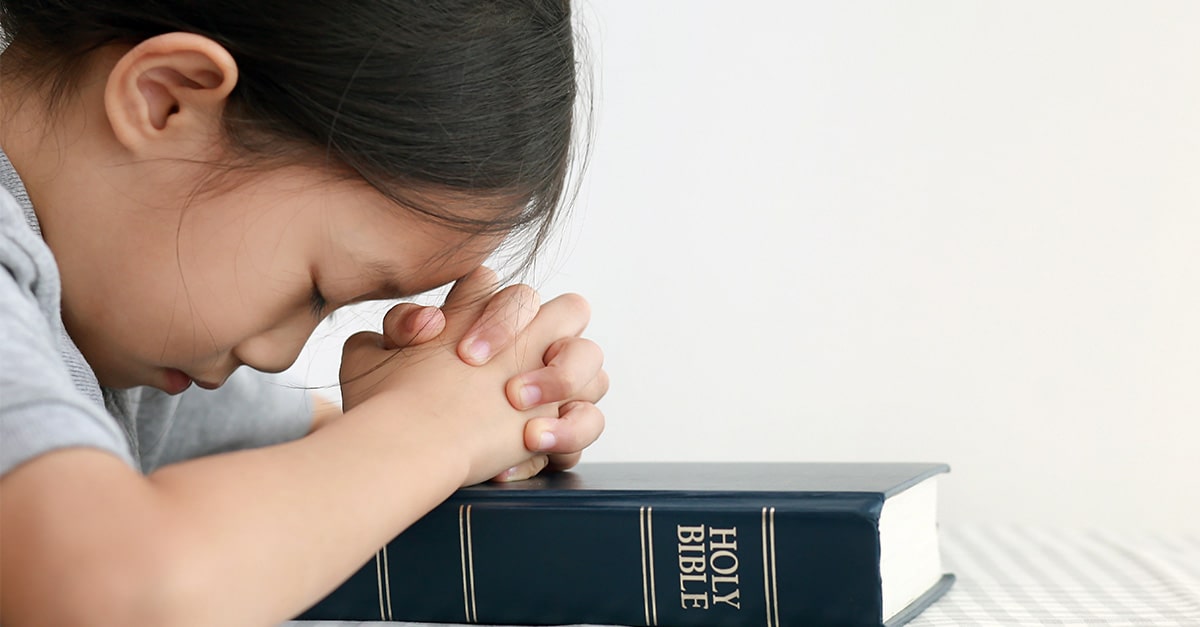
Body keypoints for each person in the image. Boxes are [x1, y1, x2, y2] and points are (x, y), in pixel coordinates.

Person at [0, 1, 608, 625]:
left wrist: (489, 404)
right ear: (165, 102)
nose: (278, 356)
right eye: (319, 289)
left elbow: (310, 441)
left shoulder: (105, 336)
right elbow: (104, 588)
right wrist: (433, 430)